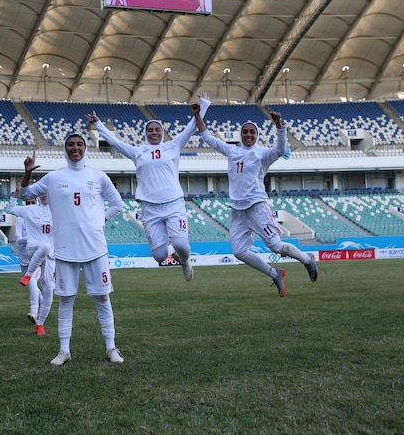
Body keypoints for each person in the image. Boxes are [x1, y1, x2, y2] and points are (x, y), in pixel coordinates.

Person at [20, 135, 125, 365]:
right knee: (66, 300)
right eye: (70, 145)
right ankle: (64, 350)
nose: (75, 148)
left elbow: (118, 204)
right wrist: (27, 172)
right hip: (65, 249)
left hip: (95, 248)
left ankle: (111, 348)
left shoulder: (98, 176)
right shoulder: (54, 177)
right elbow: (24, 195)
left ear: (85, 148)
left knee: (102, 298)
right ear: (65, 149)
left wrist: (100, 221)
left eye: (79, 144)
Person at [192, 105, 319, 297]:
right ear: (240, 134)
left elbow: (279, 150)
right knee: (239, 251)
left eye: (252, 132)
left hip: (257, 207)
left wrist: (279, 127)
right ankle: (274, 273)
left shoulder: (262, 153)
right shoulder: (232, 151)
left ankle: (307, 259)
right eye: (245, 132)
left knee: (276, 246)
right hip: (237, 211)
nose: (248, 135)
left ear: (257, 134)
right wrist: (196, 115)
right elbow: (208, 137)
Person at [86, 93, 210, 282]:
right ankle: (172, 253)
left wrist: (204, 106)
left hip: (173, 203)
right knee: (159, 256)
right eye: (150, 130)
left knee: (182, 245)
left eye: (157, 130)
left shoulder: (173, 146)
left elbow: (191, 127)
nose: (154, 132)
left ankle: (185, 262)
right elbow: (116, 143)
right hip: (150, 207)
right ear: (146, 132)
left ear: (162, 132)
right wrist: (99, 124)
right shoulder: (138, 152)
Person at [6, 187, 55, 337]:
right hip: (32, 248)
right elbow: (11, 208)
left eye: (47, 192)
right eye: (41, 192)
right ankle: (27, 275)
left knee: (49, 289)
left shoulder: (58, 212)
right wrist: (16, 193)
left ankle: (40, 324)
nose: (44, 195)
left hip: (50, 255)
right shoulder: (30, 210)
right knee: (44, 246)